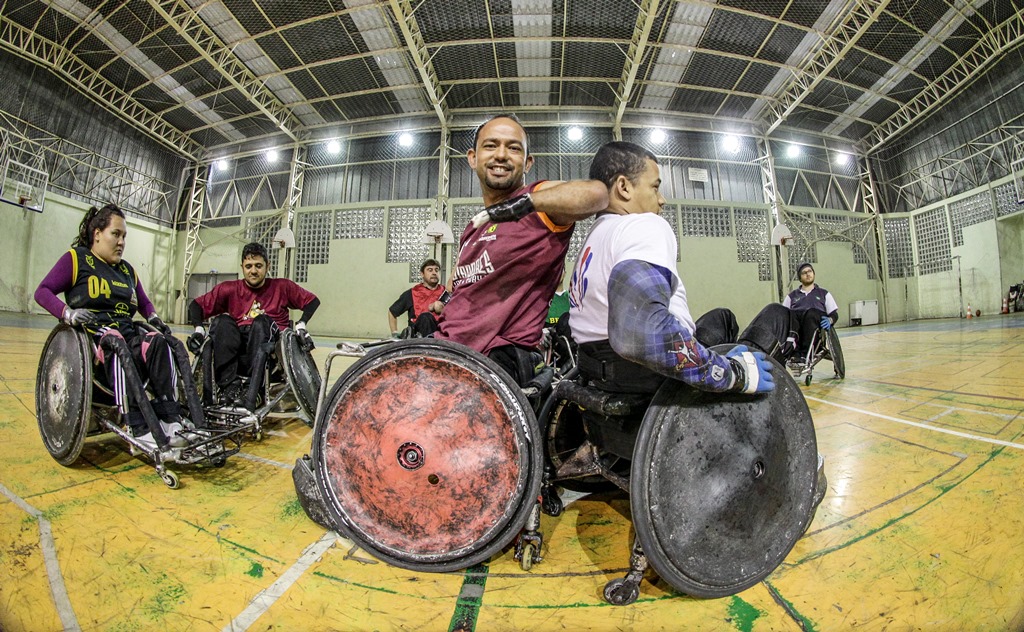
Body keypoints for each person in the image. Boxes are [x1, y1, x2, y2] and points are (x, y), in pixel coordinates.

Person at [567, 141, 789, 396]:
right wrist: (730, 373)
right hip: (657, 381)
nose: (662, 200)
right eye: (655, 187)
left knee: (722, 317)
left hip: (600, 374)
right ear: (624, 187)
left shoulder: (593, 240)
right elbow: (639, 333)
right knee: (778, 315)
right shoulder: (641, 225)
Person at [434, 113, 610, 385]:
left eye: (513, 148)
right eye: (491, 145)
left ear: (527, 162)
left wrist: (526, 203)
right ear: (473, 157)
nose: (501, 155)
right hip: (447, 348)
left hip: (494, 361)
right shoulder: (472, 228)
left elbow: (597, 194)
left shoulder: (540, 205)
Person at [34, 203, 190, 450]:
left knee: (159, 343)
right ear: (97, 234)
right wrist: (67, 313)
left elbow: (144, 302)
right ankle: (137, 426)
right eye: (115, 234)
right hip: (96, 335)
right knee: (116, 342)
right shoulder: (77, 259)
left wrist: (154, 319)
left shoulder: (127, 270)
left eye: (124, 236)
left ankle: (170, 418)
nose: (121, 242)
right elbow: (42, 292)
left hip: (126, 332)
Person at [186, 242, 319, 412]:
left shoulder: (282, 287)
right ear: (242, 267)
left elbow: (312, 301)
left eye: (258, 266)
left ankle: (253, 390)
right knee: (221, 322)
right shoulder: (229, 289)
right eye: (248, 266)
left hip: (270, 352)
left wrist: (301, 325)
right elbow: (195, 306)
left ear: (267, 266)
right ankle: (229, 388)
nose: (253, 271)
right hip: (238, 348)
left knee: (262, 322)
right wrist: (198, 329)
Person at [783, 263, 839, 362]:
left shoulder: (824, 294)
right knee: (792, 315)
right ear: (800, 278)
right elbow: (783, 316)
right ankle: (793, 351)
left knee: (811, 313)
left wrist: (830, 320)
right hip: (797, 329)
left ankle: (805, 354)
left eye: (810, 271)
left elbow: (834, 314)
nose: (808, 274)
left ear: (813, 274)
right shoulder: (791, 297)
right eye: (804, 273)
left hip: (815, 331)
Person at [388, 259, 449, 338]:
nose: (434, 273)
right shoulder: (412, 293)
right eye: (430, 270)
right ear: (422, 274)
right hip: (418, 337)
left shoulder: (446, 293)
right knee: (426, 317)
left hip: (441, 335)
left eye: (436, 270)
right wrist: (394, 334)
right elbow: (392, 312)